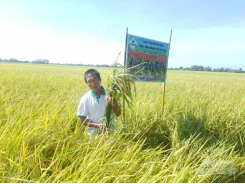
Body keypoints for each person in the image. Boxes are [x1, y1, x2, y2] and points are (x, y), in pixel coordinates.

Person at [77, 69, 121, 136]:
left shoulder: (110, 94)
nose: (93, 83)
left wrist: (113, 102)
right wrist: (97, 126)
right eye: (89, 81)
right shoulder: (85, 99)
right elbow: (82, 121)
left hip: (109, 134)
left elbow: (118, 113)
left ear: (100, 80)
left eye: (95, 80)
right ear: (86, 84)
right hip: (92, 136)